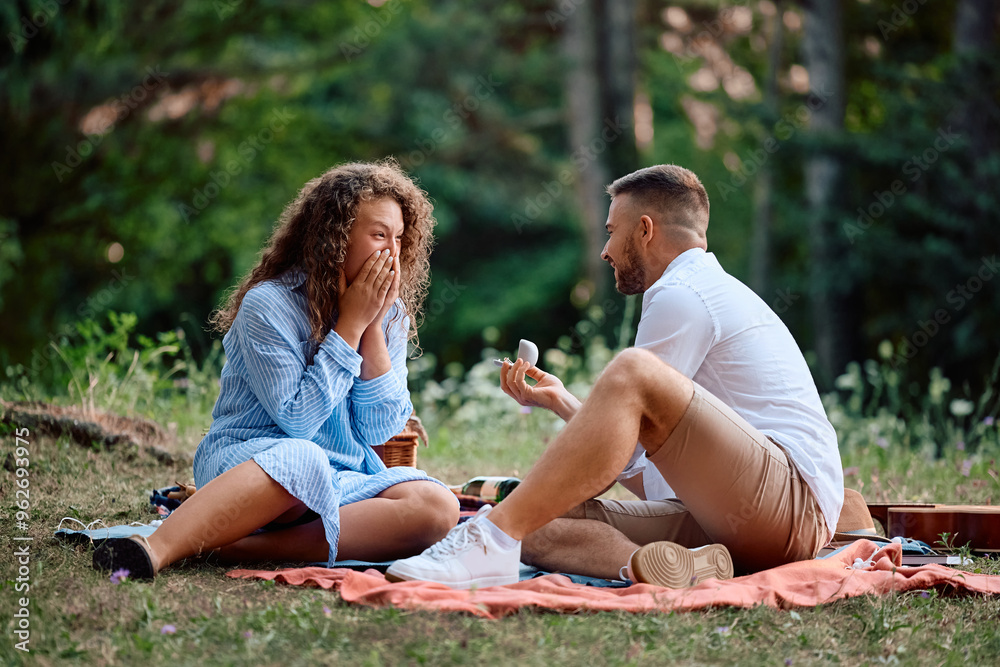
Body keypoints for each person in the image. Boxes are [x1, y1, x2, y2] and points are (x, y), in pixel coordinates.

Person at [387, 164, 844, 589]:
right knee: (536, 523)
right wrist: (561, 401)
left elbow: (618, 450)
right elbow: (637, 461)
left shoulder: (684, 294)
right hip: (734, 521)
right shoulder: (701, 290)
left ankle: (487, 539)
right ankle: (658, 567)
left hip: (790, 509)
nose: (605, 251)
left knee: (632, 369)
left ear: (644, 229)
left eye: (611, 232)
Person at [93, 160, 459, 579]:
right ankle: (154, 550)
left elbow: (381, 430)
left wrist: (372, 328)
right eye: (379, 235)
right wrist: (350, 326)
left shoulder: (390, 316)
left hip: (340, 476)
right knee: (303, 457)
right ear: (335, 237)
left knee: (438, 507)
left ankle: (240, 548)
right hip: (252, 465)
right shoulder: (268, 305)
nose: (392, 253)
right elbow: (297, 422)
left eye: (399, 237)